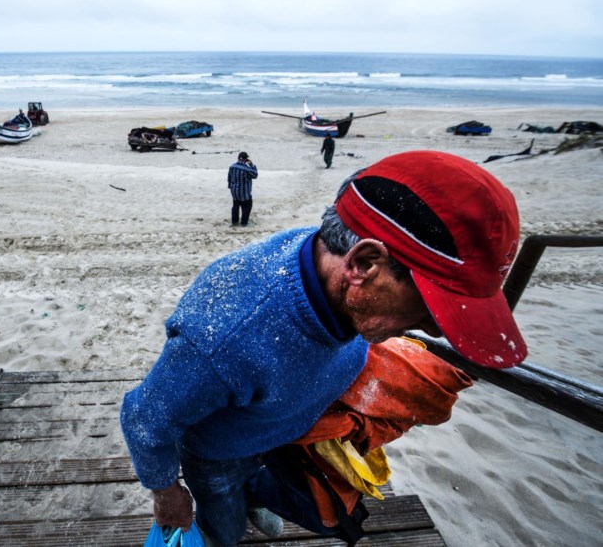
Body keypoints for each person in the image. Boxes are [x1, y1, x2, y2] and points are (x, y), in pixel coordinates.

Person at [120, 150, 527, 546]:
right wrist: (167, 494)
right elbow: (144, 419)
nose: (433, 331)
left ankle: (252, 494)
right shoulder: (226, 339)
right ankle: (229, 516)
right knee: (225, 527)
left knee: (303, 502)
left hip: (279, 436)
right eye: (432, 307)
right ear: (363, 264)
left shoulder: (334, 274)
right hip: (219, 454)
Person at [227, 151, 258, 226]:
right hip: (244, 193)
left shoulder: (232, 166)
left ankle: (234, 222)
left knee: (235, 206)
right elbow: (255, 175)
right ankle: (244, 223)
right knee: (247, 206)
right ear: (245, 159)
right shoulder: (246, 169)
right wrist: (252, 165)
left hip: (234, 192)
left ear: (238, 158)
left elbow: (229, 178)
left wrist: (231, 188)